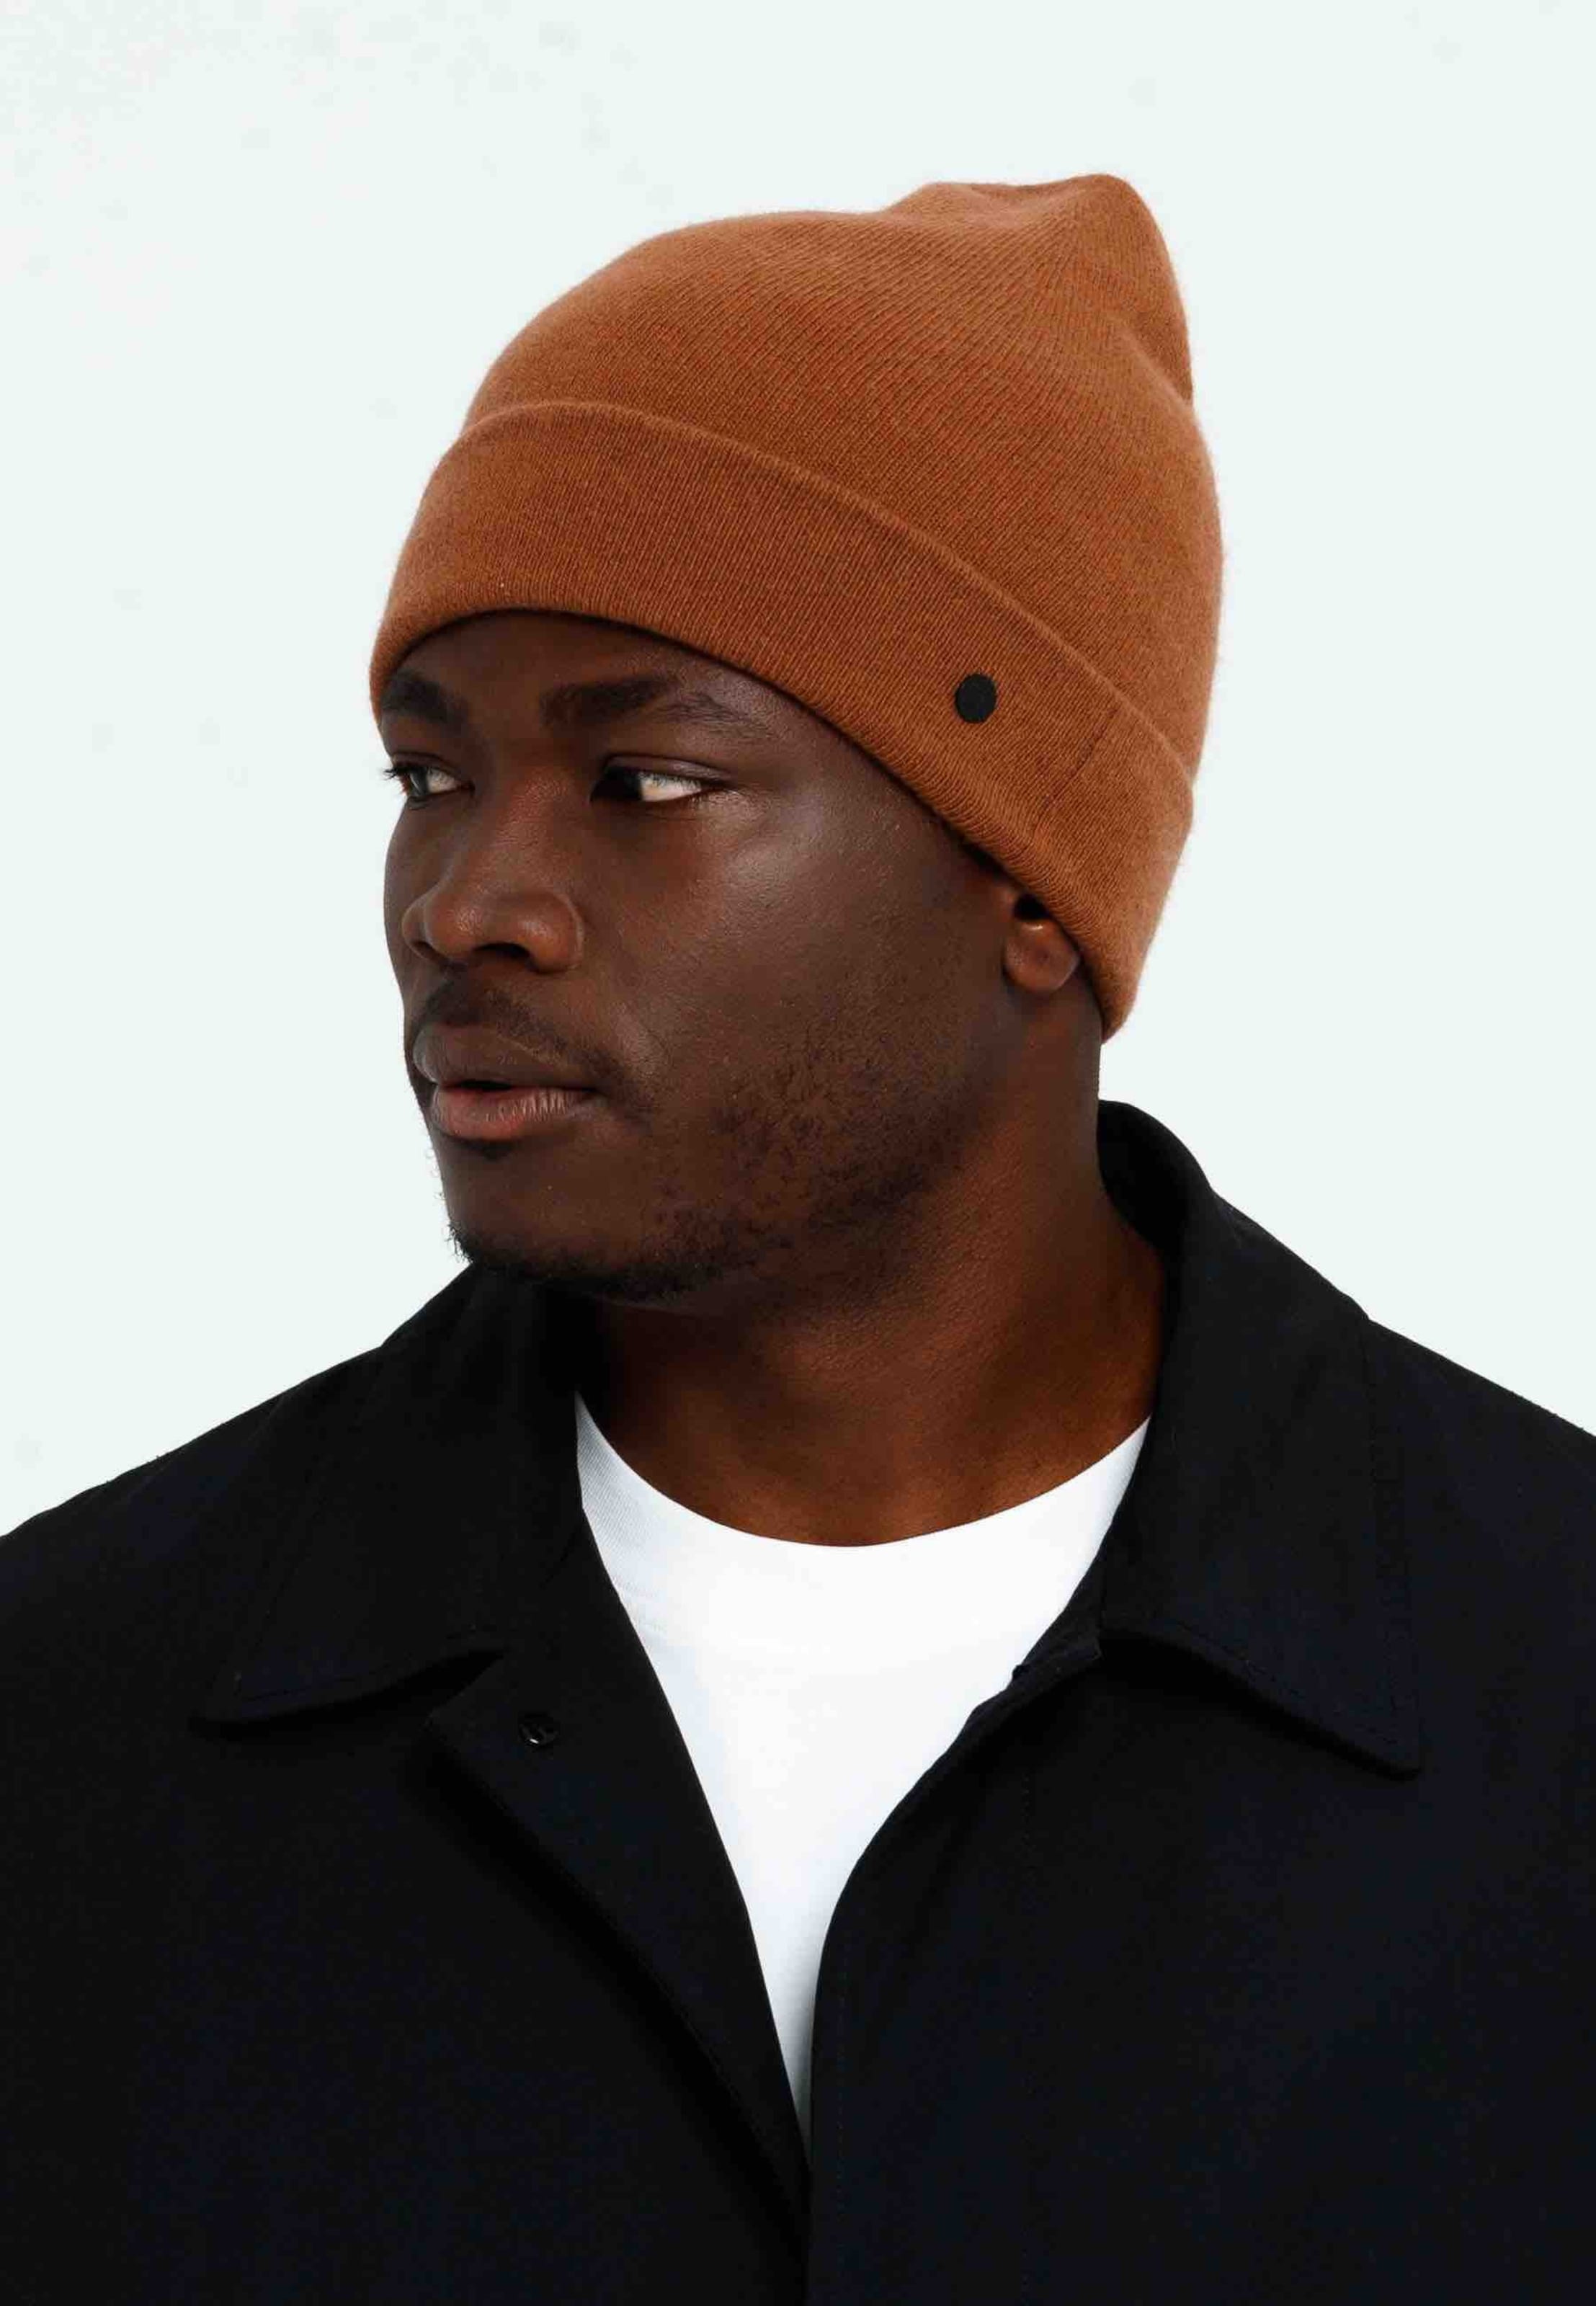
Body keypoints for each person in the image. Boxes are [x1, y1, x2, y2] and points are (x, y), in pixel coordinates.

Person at [4, 174, 1592, 2305]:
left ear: (1033, 884)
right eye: (428, 775)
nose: (468, 905)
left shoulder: (1544, 1694)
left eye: (645, 783)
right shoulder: (74, 1727)